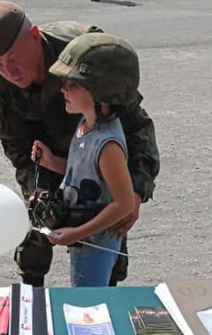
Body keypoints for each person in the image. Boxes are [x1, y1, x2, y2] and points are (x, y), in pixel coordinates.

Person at [0, 0, 159, 287]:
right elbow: (19, 152)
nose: (10, 72)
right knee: (35, 233)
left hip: (99, 154)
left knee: (106, 236)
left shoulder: (83, 53)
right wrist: (38, 194)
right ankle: (31, 305)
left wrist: (135, 191)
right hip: (60, 156)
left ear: (34, 35)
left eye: (14, 59)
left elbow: (136, 127)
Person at [31, 33, 138, 286]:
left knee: (89, 303)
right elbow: (85, 171)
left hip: (95, 246)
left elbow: (123, 204)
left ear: (103, 90)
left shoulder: (107, 144)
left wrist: (76, 234)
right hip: (85, 240)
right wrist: (52, 162)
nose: (63, 89)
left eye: (74, 84)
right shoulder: (87, 124)